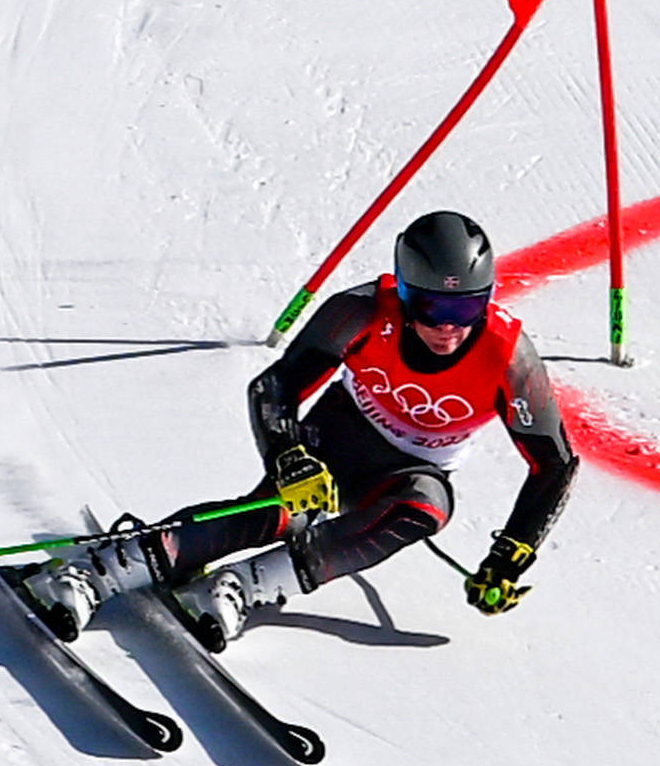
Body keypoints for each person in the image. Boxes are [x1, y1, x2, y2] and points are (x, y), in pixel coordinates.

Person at [30, 208, 576, 648]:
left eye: (466, 308)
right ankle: (94, 572)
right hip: (337, 438)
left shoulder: (509, 359)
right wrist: (289, 457)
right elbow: (274, 389)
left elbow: (554, 463)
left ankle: (242, 587)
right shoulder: (362, 312)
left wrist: (509, 556)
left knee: (428, 509)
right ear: (405, 292)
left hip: (410, 470)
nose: (447, 327)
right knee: (275, 512)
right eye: (430, 306)